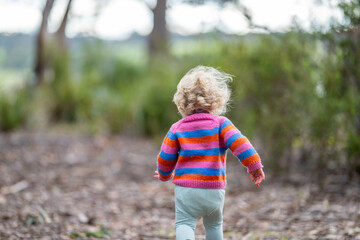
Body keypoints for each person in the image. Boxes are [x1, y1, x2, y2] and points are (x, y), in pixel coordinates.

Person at [154, 66, 265, 240]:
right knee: (214, 225)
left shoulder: (177, 128)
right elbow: (241, 144)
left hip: (186, 190)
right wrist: (254, 166)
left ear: (181, 103)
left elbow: (165, 158)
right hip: (214, 189)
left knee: (184, 223)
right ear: (216, 101)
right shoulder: (221, 124)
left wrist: (164, 174)